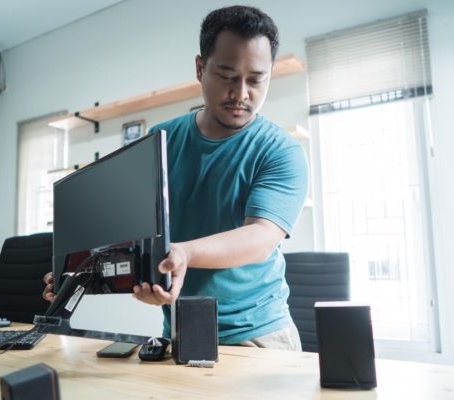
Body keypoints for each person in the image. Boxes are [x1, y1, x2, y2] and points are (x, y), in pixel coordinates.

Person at [44, 5, 308, 351]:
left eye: (257, 79)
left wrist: (182, 253)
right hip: (178, 330)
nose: (242, 94)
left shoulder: (281, 150)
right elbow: (126, 229)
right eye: (228, 75)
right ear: (200, 68)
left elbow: (260, 238)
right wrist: (77, 272)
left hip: (257, 334)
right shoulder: (160, 141)